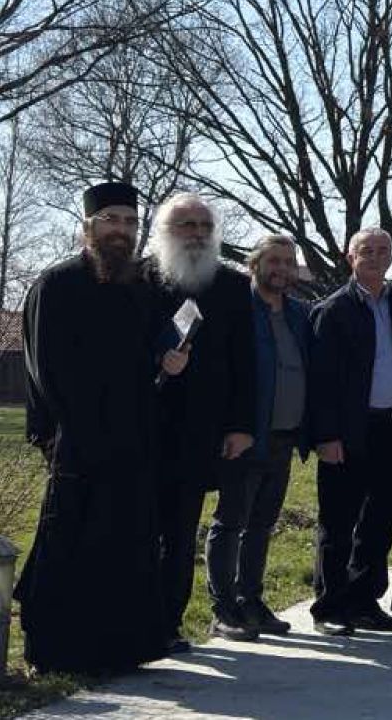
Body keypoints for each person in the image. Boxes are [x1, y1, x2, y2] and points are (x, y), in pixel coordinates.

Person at [15, 181, 172, 673]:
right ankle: (56, 650)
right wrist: (67, 432)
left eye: (129, 222)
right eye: (111, 221)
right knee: (70, 541)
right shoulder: (56, 285)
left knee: (126, 544)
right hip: (77, 439)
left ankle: (120, 649)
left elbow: (149, 356)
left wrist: (168, 363)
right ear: (89, 227)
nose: (121, 231)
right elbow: (44, 368)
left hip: (133, 438)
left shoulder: (140, 288)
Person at [142, 193, 256, 649]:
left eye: (205, 226)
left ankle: (167, 624)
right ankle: (131, 621)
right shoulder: (140, 280)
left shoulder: (231, 285)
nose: (197, 234)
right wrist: (156, 363)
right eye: (187, 225)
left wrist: (241, 425)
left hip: (198, 430)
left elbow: (245, 361)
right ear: (164, 231)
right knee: (136, 529)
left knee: (180, 532)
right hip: (141, 424)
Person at [306, 228, 392, 635]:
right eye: (366, 250)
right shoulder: (333, 310)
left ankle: (363, 601)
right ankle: (329, 606)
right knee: (338, 523)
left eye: (382, 251)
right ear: (350, 257)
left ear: (391, 257)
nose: (374, 257)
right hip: (347, 433)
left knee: (381, 520)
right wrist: (326, 436)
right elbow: (319, 382)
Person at [208, 234, 310, 641]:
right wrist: (231, 427)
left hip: (284, 437)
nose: (281, 269)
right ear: (255, 265)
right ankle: (223, 608)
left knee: (262, 524)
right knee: (231, 522)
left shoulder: (299, 314)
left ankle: (251, 600)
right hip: (246, 435)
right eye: (273, 261)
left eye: (287, 262)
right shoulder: (238, 310)